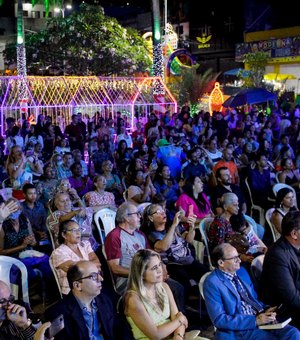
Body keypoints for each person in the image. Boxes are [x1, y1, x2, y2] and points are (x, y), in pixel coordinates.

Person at [203, 243, 300, 339]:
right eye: (235, 258)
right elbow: (219, 320)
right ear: (221, 263)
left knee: (293, 333)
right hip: (240, 329)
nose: (240, 260)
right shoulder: (212, 283)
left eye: (238, 256)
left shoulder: (241, 272)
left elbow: (253, 299)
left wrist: (265, 309)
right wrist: (255, 321)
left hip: (260, 319)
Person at [104, 202, 185, 312]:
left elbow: (152, 256)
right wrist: (142, 274)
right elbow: (115, 268)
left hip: (148, 276)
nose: (140, 216)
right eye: (136, 214)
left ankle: (178, 323)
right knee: (173, 289)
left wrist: (161, 266)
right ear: (126, 218)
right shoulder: (114, 236)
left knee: (178, 288)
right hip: (129, 281)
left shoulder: (140, 234)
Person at [46, 260, 129, 339]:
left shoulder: (105, 300)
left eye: (99, 274)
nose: (101, 279)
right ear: (77, 285)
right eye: (93, 276)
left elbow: (121, 329)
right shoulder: (58, 314)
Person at [141, 203, 209, 297]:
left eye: (163, 210)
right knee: (185, 279)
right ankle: (191, 304)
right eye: (158, 212)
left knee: (207, 274)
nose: (163, 213)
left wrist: (191, 226)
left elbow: (188, 239)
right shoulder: (151, 234)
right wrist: (173, 225)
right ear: (151, 218)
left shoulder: (175, 226)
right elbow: (163, 246)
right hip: (172, 264)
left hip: (187, 260)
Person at [124, 249, 188, 340]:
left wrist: (178, 336)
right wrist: (179, 320)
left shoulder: (164, 286)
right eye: (154, 268)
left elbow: (177, 316)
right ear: (141, 273)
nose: (160, 270)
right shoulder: (133, 299)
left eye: (159, 265)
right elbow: (156, 335)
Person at [260, 210, 300, 328]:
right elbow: (291, 298)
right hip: (283, 310)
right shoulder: (277, 255)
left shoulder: (296, 246)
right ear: (294, 234)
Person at [50, 220, 101, 295]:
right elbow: (76, 271)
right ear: (64, 235)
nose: (78, 233)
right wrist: (93, 267)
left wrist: (87, 267)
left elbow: (97, 262)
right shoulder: (58, 252)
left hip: (92, 285)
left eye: (79, 229)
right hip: (73, 290)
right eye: (74, 230)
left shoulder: (85, 244)